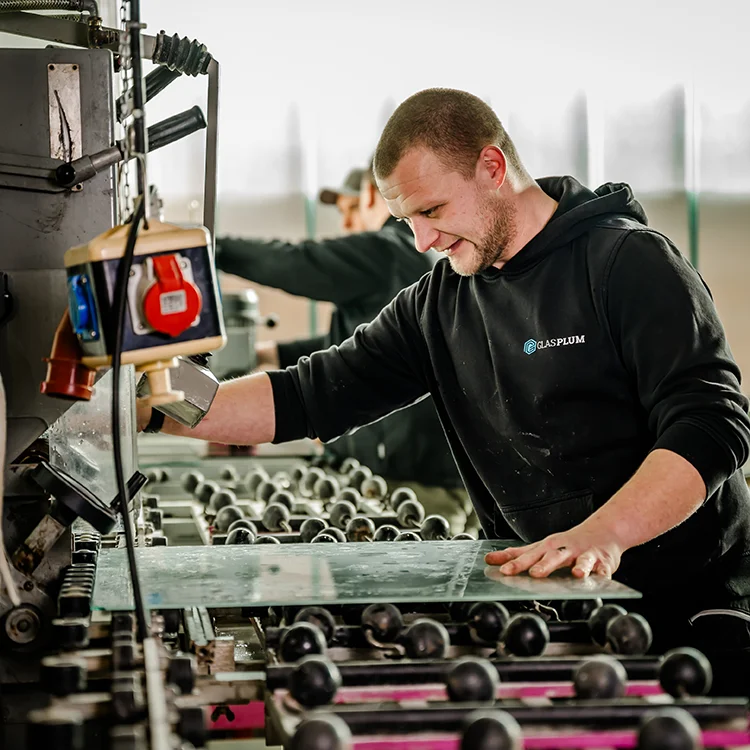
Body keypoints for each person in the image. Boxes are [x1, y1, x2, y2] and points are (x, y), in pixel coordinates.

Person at [143, 88, 750, 694]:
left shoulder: (626, 262)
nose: (421, 242)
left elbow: (711, 426)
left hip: (690, 607)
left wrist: (605, 532)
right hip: (560, 611)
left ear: (492, 168)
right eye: (407, 221)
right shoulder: (438, 305)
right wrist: (153, 396)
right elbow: (304, 396)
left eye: (432, 211)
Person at [211, 163, 473, 534]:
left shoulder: (385, 251)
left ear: (371, 196)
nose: (346, 226)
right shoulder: (402, 262)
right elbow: (365, 350)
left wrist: (210, 250)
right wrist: (270, 354)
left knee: (403, 590)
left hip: (412, 480)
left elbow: (294, 262)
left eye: (350, 211)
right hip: (417, 471)